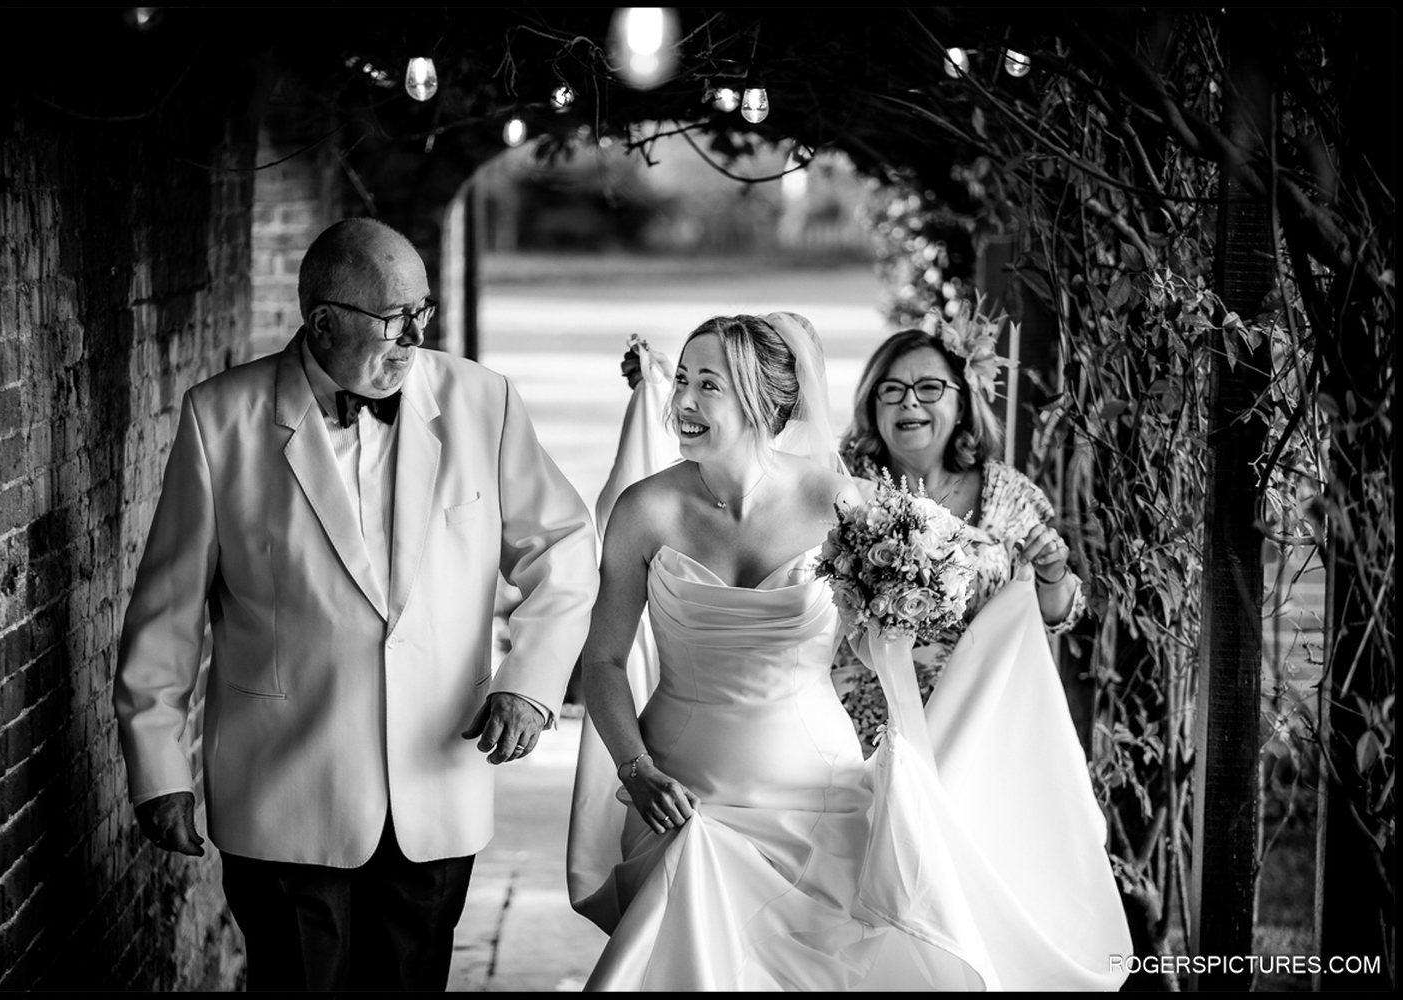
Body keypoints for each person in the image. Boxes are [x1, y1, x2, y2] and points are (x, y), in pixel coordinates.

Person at [568, 312, 1130, 990]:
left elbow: (952, 594)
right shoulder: (642, 510)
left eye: (707, 385)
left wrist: (1022, 581)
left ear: (761, 400)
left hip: (816, 793)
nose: (682, 403)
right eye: (682, 380)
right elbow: (601, 661)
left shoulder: (843, 502)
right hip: (680, 793)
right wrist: (635, 768)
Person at [113, 218, 599, 991]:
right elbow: (167, 612)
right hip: (282, 789)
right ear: (324, 321)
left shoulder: (482, 400)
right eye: (393, 320)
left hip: (437, 777)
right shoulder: (220, 419)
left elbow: (565, 549)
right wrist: (158, 767)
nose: (412, 337)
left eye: (423, 313)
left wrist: (529, 683)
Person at [832, 323, 1086, 749]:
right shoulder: (842, 488)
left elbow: (1059, 618)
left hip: (978, 726)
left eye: (929, 387)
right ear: (872, 404)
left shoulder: (1009, 495)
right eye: (891, 389)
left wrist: (1053, 575)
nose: (909, 399)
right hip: (865, 729)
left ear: (962, 402)